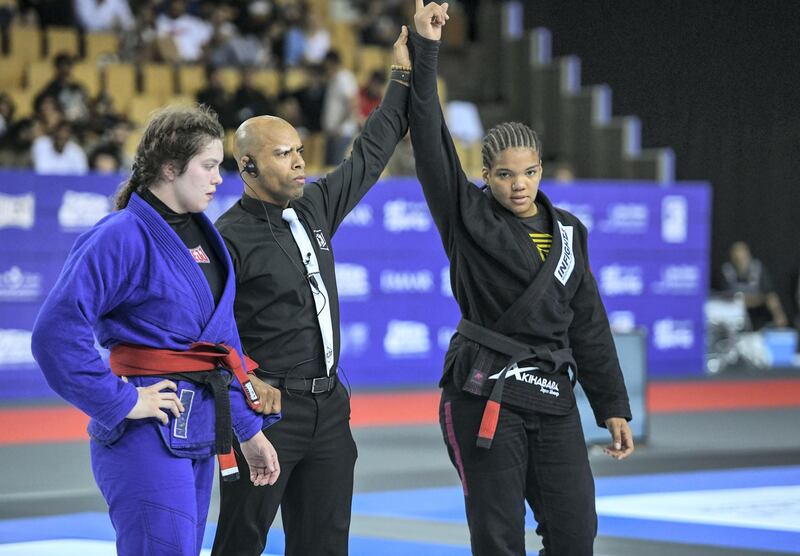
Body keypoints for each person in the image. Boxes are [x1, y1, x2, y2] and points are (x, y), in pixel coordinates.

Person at [407, 2, 634, 555]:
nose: (518, 185)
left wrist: (612, 405)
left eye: (529, 172)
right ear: (485, 175)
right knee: (497, 537)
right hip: (484, 389)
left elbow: (589, 324)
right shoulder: (466, 215)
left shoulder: (569, 234)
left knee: (576, 532)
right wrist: (427, 49)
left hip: (553, 396)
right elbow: (430, 138)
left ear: (540, 170)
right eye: (504, 175)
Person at [30, 105, 281, 556]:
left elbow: (221, 347)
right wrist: (122, 400)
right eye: (207, 165)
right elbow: (54, 334)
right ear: (170, 168)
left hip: (199, 428)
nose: (218, 177)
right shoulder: (121, 235)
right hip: (147, 432)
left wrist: (249, 431)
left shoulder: (206, 237)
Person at [211, 26, 412, 556]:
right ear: (247, 166)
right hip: (267, 414)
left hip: (330, 410)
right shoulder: (227, 239)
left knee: (325, 546)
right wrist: (247, 399)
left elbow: (371, 151)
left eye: (300, 150)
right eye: (283, 154)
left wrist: (403, 74)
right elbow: (209, 338)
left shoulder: (314, 207)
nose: (300, 161)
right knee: (240, 542)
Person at [720, 241, 788, 330]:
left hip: (757, 314)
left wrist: (778, 314)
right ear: (732, 257)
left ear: (748, 255)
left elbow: (769, 295)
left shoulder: (758, 269)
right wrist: (753, 299)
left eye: (743, 257)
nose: (740, 260)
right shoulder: (726, 271)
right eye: (737, 257)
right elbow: (724, 298)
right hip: (734, 317)